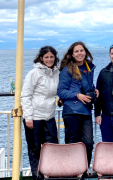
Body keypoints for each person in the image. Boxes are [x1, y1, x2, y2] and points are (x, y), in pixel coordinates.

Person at [21, 46, 60, 180]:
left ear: (55, 58)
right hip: (34, 118)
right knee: (35, 150)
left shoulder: (57, 73)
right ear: (41, 58)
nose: (49, 59)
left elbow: (58, 91)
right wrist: (28, 117)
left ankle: (50, 175)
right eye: (46, 57)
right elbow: (25, 95)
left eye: (51, 57)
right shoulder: (34, 73)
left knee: (52, 148)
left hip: (49, 117)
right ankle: (37, 177)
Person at [57, 41, 98, 167]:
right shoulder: (67, 69)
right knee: (73, 143)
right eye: (77, 51)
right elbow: (61, 91)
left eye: (81, 50)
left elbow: (86, 86)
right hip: (72, 111)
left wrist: (94, 91)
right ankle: (72, 172)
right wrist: (77, 95)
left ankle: (83, 170)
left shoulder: (88, 68)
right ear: (72, 54)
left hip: (86, 111)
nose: (80, 53)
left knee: (88, 143)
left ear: (85, 52)